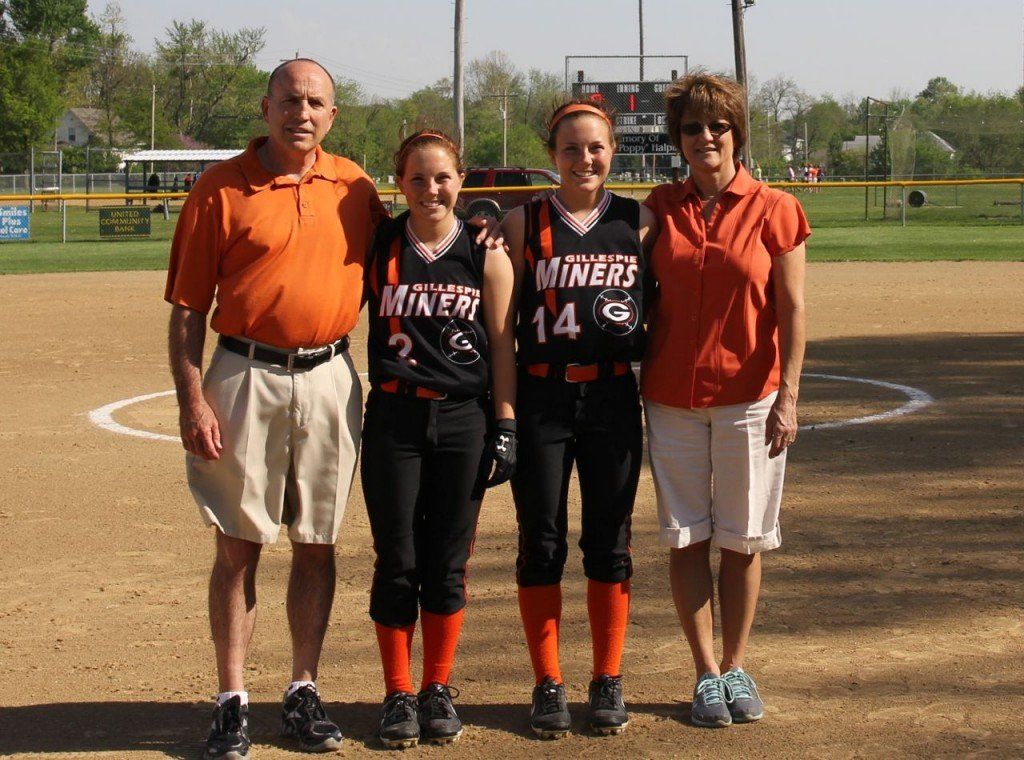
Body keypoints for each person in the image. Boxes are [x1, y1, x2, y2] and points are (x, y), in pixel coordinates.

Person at [166, 58, 384, 758]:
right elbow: (187, 308)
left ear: (333, 113)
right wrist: (191, 395)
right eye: (289, 100)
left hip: (328, 376)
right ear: (265, 108)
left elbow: (405, 269)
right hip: (245, 374)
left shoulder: (355, 186)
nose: (302, 112)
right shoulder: (220, 187)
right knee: (238, 544)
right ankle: (231, 701)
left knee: (317, 542)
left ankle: (303, 690)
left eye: (316, 101)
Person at [642, 70, 809, 728]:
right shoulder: (658, 207)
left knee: (742, 543)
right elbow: (599, 250)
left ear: (737, 131)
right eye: (692, 126)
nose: (706, 136)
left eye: (718, 125)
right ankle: (706, 673)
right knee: (687, 539)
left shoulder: (776, 208)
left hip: (750, 397)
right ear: (678, 138)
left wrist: (789, 396)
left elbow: (793, 312)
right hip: (671, 396)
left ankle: (737, 664)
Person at [500, 100, 657, 739]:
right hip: (543, 399)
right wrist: (505, 416)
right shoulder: (521, 221)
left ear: (613, 150)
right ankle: (547, 681)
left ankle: (607, 676)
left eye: (595, 147)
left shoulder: (639, 221)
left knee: (609, 542)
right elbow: (503, 327)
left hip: (614, 397)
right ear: (552, 154)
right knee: (541, 541)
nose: (584, 159)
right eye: (570, 148)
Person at [362, 130, 517, 748]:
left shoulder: (485, 251)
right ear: (400, 183)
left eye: (443, 177)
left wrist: (505, 424)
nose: (432, 189)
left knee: (447, 564)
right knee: (397, 561)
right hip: (395, 418)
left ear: (461, 180)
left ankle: (436, 686)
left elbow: (503, 344)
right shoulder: (380, 243)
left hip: (463, 420)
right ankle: (398, 691)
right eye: (418, 178)